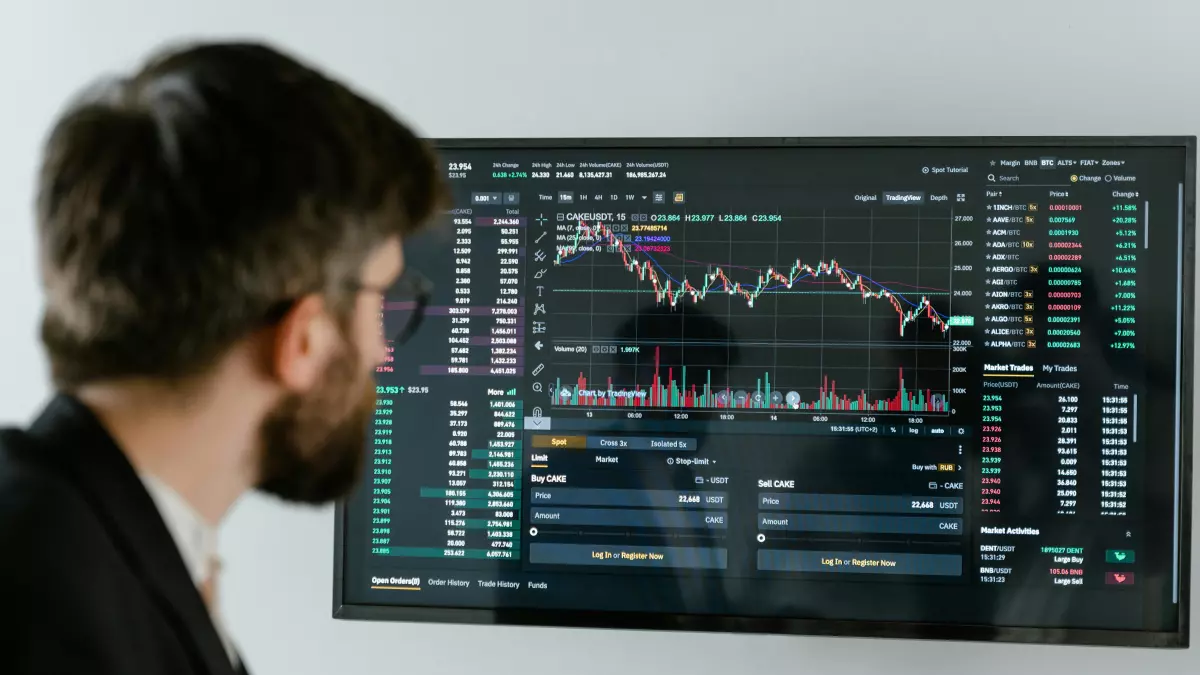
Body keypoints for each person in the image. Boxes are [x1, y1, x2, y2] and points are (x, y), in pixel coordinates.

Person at [0, 41, 446, 675]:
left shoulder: (106, 549)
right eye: (384, 298)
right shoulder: (59, 620)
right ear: (304, 339)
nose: (382, 348)